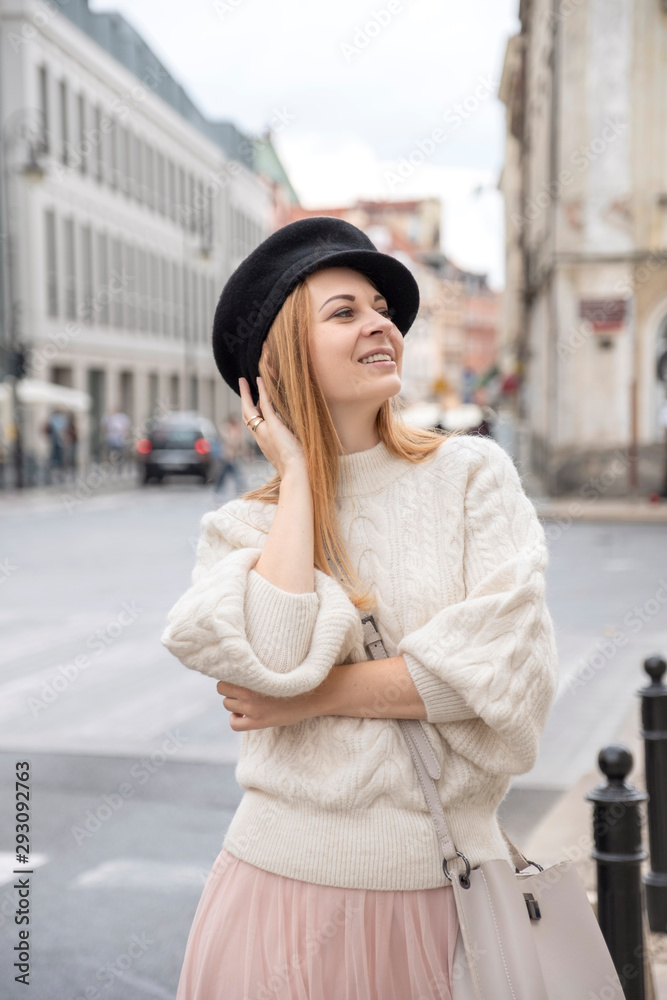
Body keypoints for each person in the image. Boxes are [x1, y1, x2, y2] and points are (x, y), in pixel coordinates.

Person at [161, 218, 558, 999]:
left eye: (380, 307)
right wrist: (300, 479)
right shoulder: (240, 528)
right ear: (277, 361)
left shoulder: (472, 475)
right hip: (274, 896)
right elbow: (270, 657)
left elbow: (507, 678)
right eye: (343, 313)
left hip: (446, 903)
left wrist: (315, 696)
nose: (381, 323)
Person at [213, 415, 245, 495]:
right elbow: (231, 443)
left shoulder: (235, 431)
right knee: (231, 475)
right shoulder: (226, 430)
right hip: (225, 457)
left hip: (231, 458)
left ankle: (240, 489)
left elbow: (239, 445)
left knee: (227, 475)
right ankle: (240, 490)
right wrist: (235, 436)